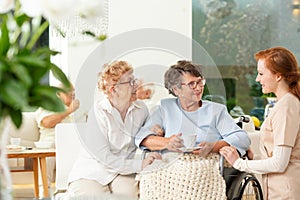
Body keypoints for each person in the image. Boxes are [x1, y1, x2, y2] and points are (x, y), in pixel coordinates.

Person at [66, 61, 161, 199]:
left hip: (123, 171)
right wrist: (139, 164)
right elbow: (103, 158)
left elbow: (144, 137)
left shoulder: (141, 109)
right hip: (93, 170)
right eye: (130, 82)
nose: (136, 85)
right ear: (113, 89)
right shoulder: (98, 112)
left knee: (130, 196)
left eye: (134, 80)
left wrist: (154, 130)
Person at [220, 47, 300, 200]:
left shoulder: (286, 107)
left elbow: (279, 163)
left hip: (286, 193)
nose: (257, 79)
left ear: (278, 76)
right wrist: (254, 158)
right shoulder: (285, 103)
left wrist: (239, 164)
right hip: (280, 190)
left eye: (261, 74)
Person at [135, 60, 250, 157]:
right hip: (169, 170)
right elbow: (142, 138)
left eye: (200, 82)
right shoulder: (164, 108)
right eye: (191, 84)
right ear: (176, 89)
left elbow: (242, 138)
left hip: (205, 169)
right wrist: (167, 142)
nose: (198, 88)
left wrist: (213, 146)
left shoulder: (216, 111)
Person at [35, 84, 86, 186]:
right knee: (49, 148)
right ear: (58, 94)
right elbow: (47, 122)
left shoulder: (81, 108)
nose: (72, 93)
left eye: (73, 90)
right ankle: (44, 189)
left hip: (74, 141)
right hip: (52, 140)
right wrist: (69, 110)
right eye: (68, 90)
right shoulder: (49, 105)